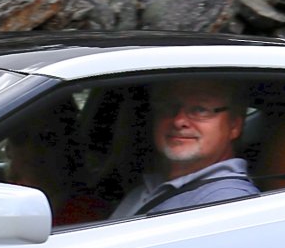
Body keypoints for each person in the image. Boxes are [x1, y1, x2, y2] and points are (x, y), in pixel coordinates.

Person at [108, 78, 261, 221]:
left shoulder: (228, 201)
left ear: (234, 126)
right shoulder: (148, 188)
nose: (178, 121)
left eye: (200, 110)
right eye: (169, 107)